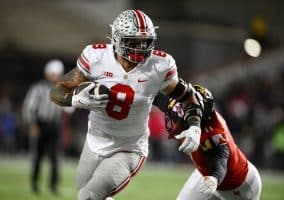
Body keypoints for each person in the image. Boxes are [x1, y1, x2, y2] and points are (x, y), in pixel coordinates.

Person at [50, 9, 204, 200]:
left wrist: (195, 127)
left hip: (129, 147)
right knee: (88, 194)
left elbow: (188, 95)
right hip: (94, 141)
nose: (140, 47)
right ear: (117, 38)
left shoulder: (159, 65)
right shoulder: (96, 57)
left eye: (145, 41)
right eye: (133, 41)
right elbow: (57, 91)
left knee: (88, 195)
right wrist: (75, 99)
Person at [153, 85, 262, 200]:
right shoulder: (190, 113)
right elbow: (162, 100)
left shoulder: (214, 133)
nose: (176, 114)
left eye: (190, 106)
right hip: (205, 174)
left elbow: (220, 159)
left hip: (239, 185)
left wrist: (214, 178)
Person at [23, 59, 65, 195]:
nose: (55, 76)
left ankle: (53, 186)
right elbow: (29, 107)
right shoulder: (38, 88)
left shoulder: (63, 88)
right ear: (47, 74)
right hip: (41, 125)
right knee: (37, 157)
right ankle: (35, 185)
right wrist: (33, 124)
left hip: (55, 126)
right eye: (53, 74)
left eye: (58, 74)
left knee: (55, 158)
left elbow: (70, 109)